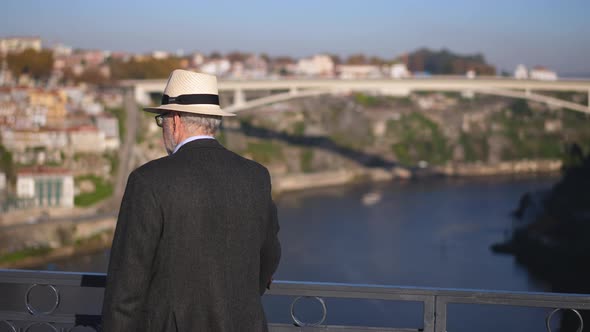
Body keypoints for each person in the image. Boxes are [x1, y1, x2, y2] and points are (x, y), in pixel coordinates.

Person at [101, 69, 281, 331]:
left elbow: (127, 284)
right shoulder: (256, 176)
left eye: (161, 120)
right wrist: (238, 304)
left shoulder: (149, 180)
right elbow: (270, 256)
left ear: (174, 120)